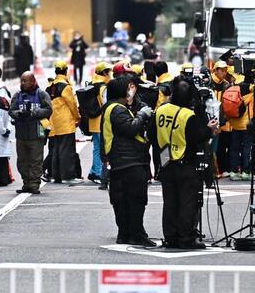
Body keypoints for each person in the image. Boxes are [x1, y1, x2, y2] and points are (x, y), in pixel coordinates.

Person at [156, 78, 217, 249]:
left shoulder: (161, 110)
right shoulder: (188, 115)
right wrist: (209, 129)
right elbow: (196, 138)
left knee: (169, 202)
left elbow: (152, 135)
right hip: (186, 162)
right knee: (187, 202)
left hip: (165, 160)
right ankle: (186, 238)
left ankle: (170, 237)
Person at [101, 75, 155, 246]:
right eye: (127, 89)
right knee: (136, 200)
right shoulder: (118, 109)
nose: (130, 92)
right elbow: (130, 128)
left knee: (121, 200)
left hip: (119, 161)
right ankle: (136, 235)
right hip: (129, 161)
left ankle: (125, 234)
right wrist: (142, 115)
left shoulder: (111, 108)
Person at [9, 71, 52, 194]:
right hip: (21, 134)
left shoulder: (42, 94)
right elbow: (11, 110)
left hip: (36, 134)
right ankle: (26, 183)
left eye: (25, 80)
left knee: (35, 161)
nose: (23, 83)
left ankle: (34, 184)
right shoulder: (17, 96)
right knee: (22, 162)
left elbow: (49, 110)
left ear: (33, 81)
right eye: (21, 80)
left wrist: (34, 113)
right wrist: (20, 114)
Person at [76, 62, 110, 184]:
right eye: (108, 71)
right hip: (101, 121)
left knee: (96, 147)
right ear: (104, 72)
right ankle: (98, 173)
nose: (110, 74)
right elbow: (105, 103)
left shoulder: (92, 84)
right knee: (101, 149)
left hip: (93, 121)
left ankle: (93, 171)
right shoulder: (102, 87)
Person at [47, 60, 80, 184]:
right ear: (65, 71)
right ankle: (68, 176)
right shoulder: (65, 86)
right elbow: (72, 105)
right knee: (67, 151)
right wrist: (78, 117)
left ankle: (57, 176)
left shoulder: (49, 87)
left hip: (54, 124)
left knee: (55, 151)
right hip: (65, 123)